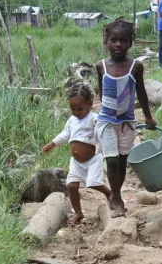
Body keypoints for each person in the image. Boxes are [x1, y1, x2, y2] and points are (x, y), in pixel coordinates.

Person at [96, 18, 157, 218]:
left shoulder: (135, 67)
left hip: (127, 123)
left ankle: (115, 193)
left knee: (122, 161)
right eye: (114, 40)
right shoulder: (101, 66)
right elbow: (101, 92)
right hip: (106, 121)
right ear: (106, 40)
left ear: (131, 43)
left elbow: (141, 93)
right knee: (111, 160)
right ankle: (119, 200)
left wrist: (148, 116)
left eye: (123, 40)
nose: (118, 44)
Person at [43, 83, 112, 225]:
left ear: (90, 104)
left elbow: (104, 133)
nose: (76, 112)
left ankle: (109, 193)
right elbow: (65, 134)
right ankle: (78, 213)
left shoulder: (95, 119)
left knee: (93, 183)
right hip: (76, 162)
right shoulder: (72, 121)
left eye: (80, 108)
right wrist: (52, 144)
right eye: (72, 109)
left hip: (93, 159)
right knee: (72, 186)